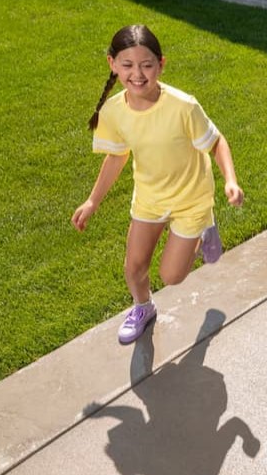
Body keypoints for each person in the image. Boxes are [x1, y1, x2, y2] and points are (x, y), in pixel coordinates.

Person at [71, 24, 244, 344]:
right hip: (150, 198)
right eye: (127, 65)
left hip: (192, 198)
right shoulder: (113, 112)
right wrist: (92, 201)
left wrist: (230, 182)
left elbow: (217, 142)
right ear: (112, 64)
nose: (137, 74)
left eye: (146, 65)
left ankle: (206, 225)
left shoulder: (183, 106)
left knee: (171, 276)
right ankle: (143, 307)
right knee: (133, 266)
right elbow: (116, 157)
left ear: (161, 64)